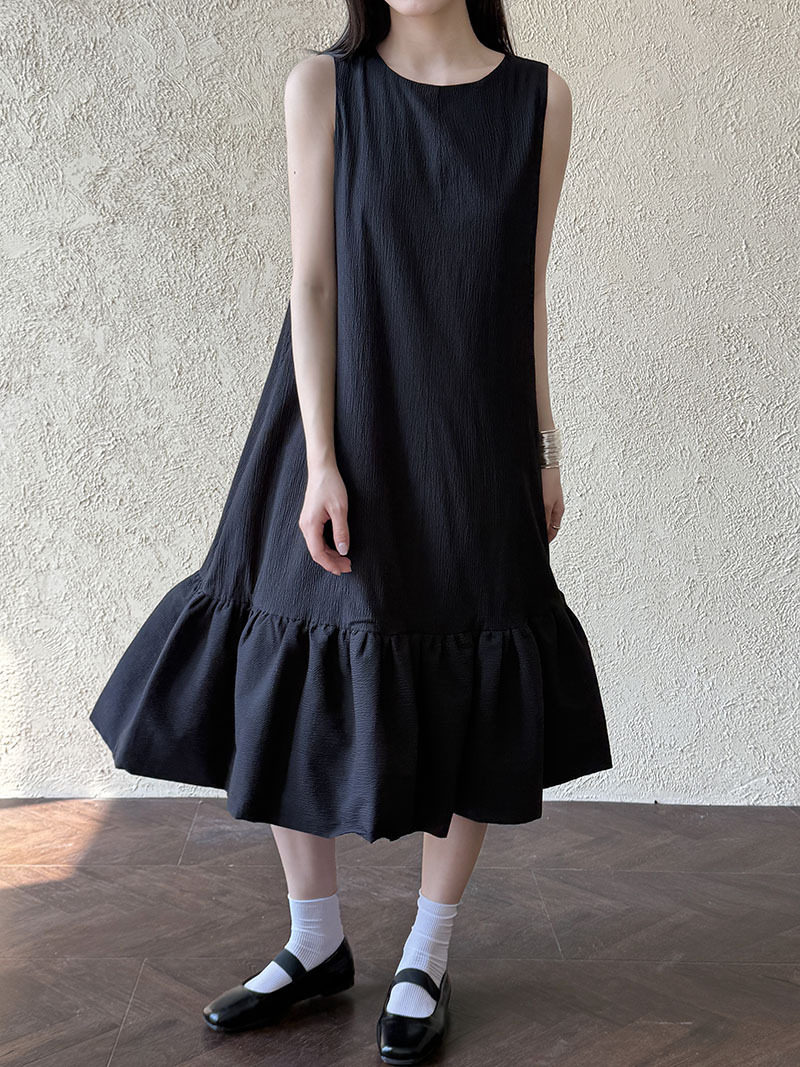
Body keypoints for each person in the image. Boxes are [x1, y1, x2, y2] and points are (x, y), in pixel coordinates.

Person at [89, 1, 614, 1062]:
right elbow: (314, 281)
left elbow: (524, 292)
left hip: (473, 429)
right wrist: (321, 458)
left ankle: (428, 947)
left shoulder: (540, 100)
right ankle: (314, 938)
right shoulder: (325, 87)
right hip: (335, 419)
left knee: (473, 658)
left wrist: (545, 445)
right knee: (293, 657)